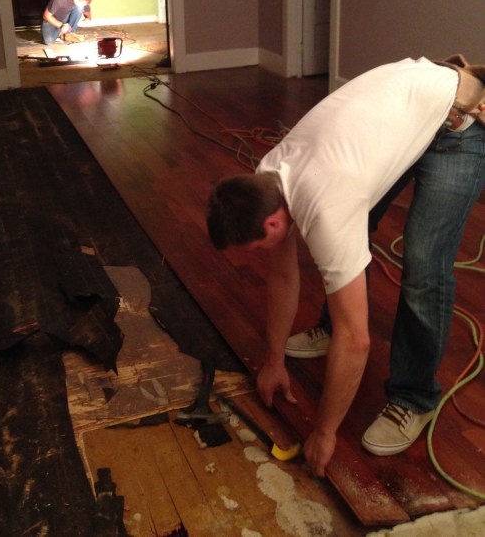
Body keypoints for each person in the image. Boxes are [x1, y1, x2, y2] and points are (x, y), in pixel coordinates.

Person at [206, 56, 485, 478]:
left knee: (424, 265)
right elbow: (283, 275)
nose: (256, 257)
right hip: (409, 112)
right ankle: (329, 325)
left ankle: (415, 398)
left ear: (273, 222)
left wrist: (324, 431)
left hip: (457, 126)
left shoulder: (327, 208)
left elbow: (359, 341)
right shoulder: (266, 179)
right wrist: (274, 359)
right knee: (360, 220)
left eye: (255, 247)